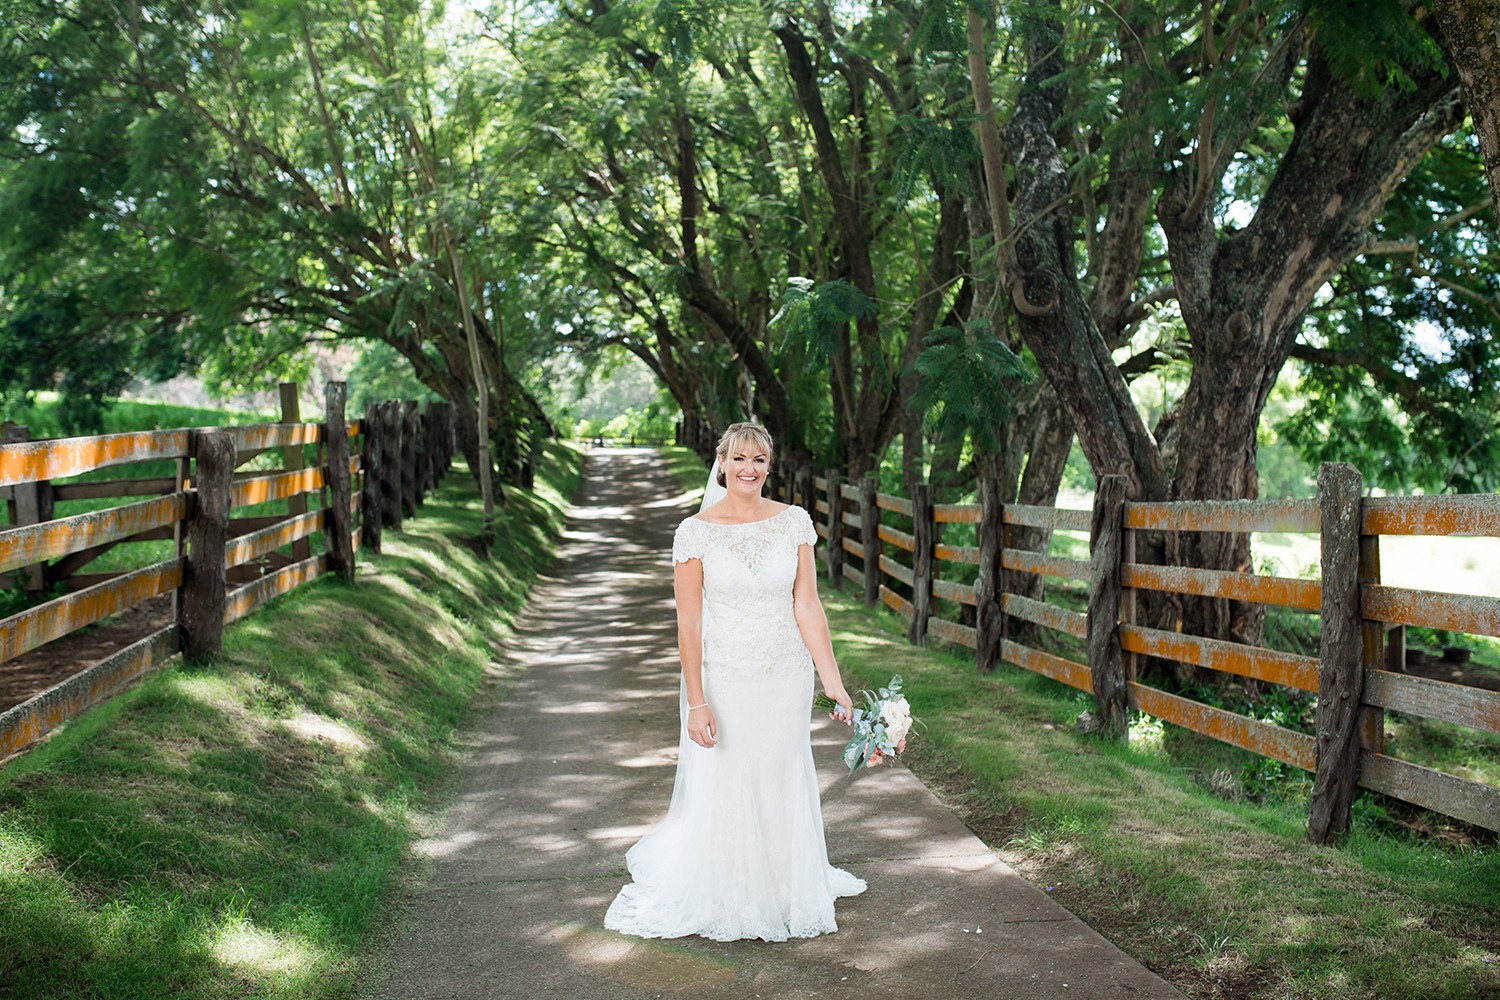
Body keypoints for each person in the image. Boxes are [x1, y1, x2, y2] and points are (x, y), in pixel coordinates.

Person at [604, 421, 867, 942]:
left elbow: (807, 604)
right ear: (721, 463)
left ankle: (787, 886)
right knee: (733, 776)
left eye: (760, 460)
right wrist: (696, 703)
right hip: (727, 677)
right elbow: (689, 624)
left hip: (784, 673)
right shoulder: (694, 532)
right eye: (740, 458)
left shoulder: (794, 523)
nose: (750, 469)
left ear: (770, 466)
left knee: (781, 771)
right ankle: (734, 892)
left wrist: (832, 681)